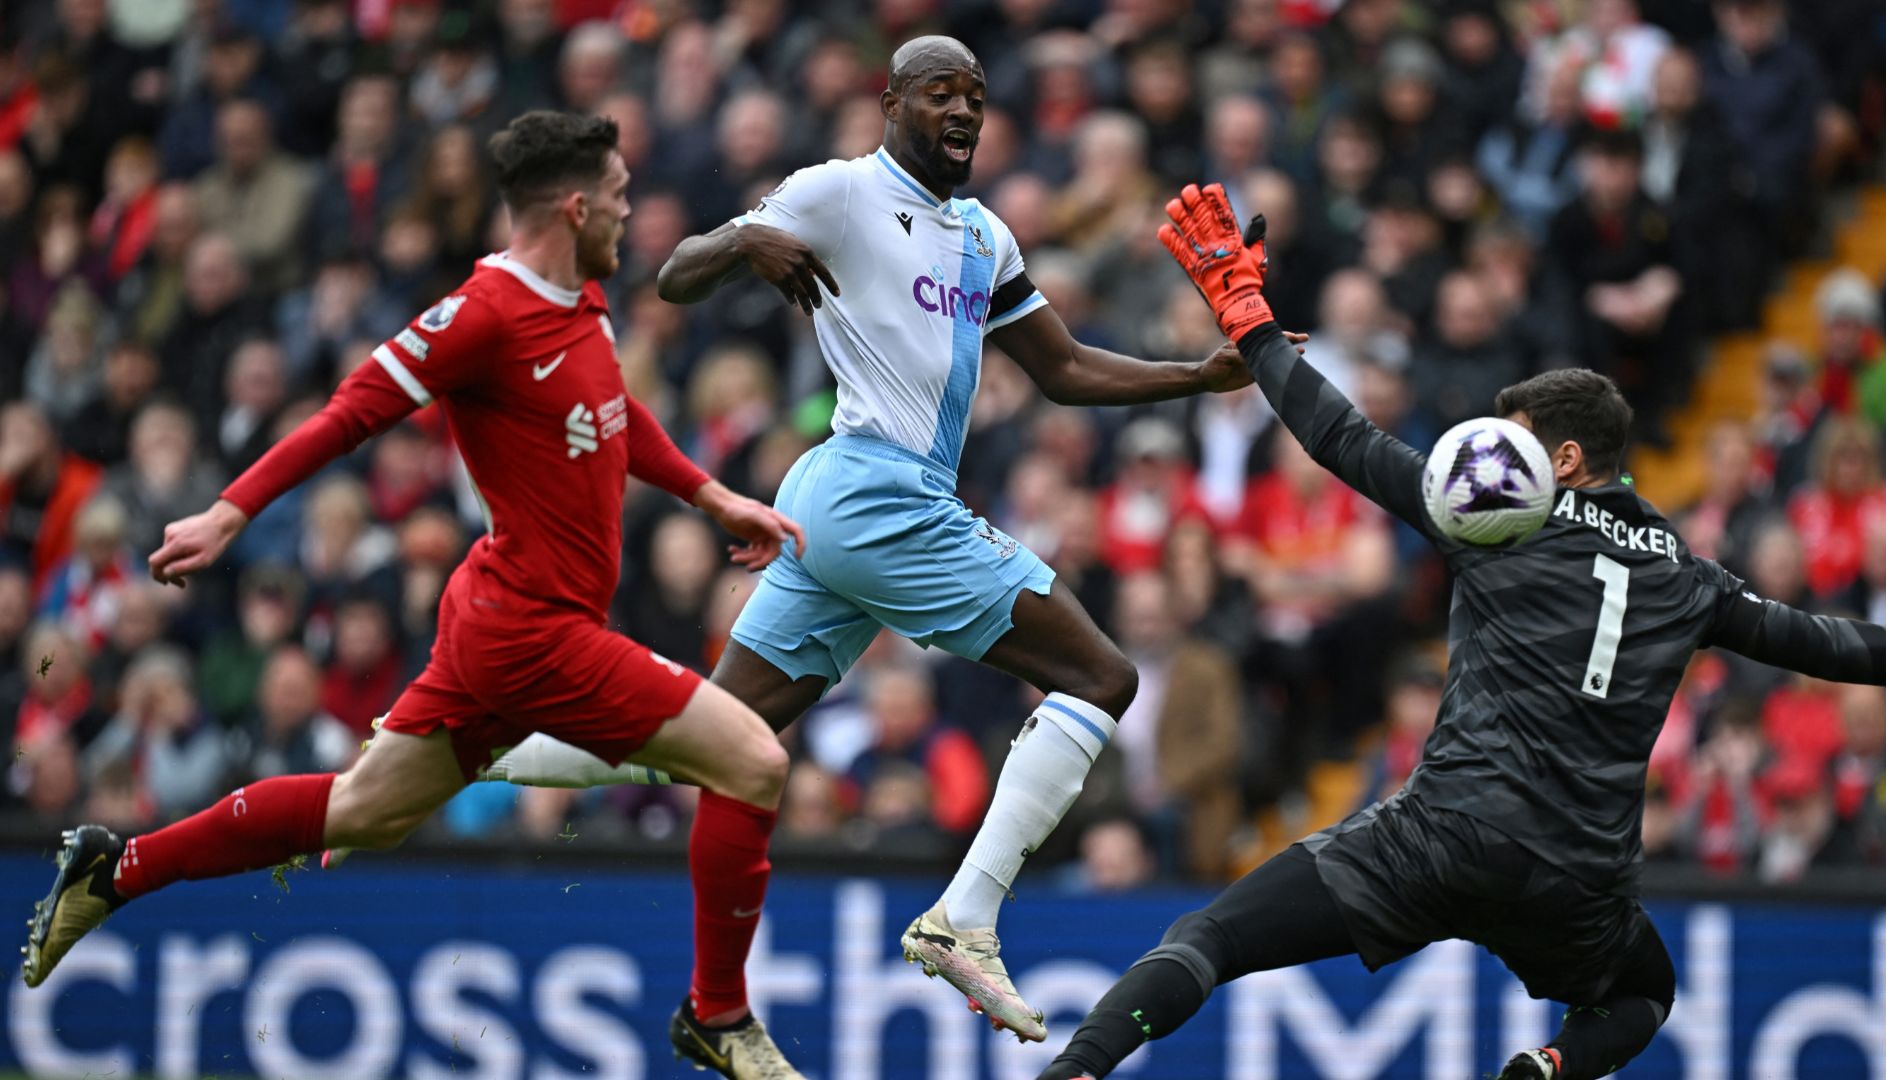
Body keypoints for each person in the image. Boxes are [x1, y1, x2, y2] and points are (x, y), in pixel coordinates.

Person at [1036, 182, 1886, 1080]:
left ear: (1564, 462)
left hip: (1444, 836)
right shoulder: (1690, 578)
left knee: (1210, 936)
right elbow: (1834, 645)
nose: (1491, 456)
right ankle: (1550, 1068)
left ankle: (1078, 1068)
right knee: (1642, 992)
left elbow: (1342, 439)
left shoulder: (1503, 511)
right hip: (1580, 881)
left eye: (1517, 439)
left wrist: (1250, 320)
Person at [475, 36, 1259, 1046]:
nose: (964, 110)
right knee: (1101, 678)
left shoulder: (983, 235)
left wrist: (1194, 378)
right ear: (890, 103)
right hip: (875, 492)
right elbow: (672, 276)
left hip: (846, 507)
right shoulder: (840, 190)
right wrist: (739, 243)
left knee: (714, 737)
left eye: (976, 95)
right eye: (940, 93)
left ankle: (474, 745)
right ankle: (965, 919)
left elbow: (1062, 370)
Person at [20, 111, 813, 1080]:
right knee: (753, 762)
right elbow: (352, 410)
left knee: (364, 812)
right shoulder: (480, 317)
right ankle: (717, 1013)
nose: (628, 209)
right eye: (616, 196)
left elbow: (612, 409)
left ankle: (115, 869)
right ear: (573, 205)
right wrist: (229, 513)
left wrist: (711, 492)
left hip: (503, 618)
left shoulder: (581, 297)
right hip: (530, 631)